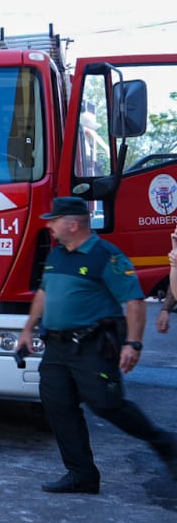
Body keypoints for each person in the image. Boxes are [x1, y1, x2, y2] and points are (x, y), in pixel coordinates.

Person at [17, 197, 177, 494]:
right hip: (56, 346)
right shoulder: (57, 255)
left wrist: (133, 343)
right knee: (58, 405)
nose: (49, 225)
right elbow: (43, 292)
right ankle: (82, 474)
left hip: (93, 345)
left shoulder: (107, 256)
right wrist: (27, 329)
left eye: (54, 220)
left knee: (106, 404)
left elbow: (134, 300)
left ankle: (165, 443)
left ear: (73, 223)